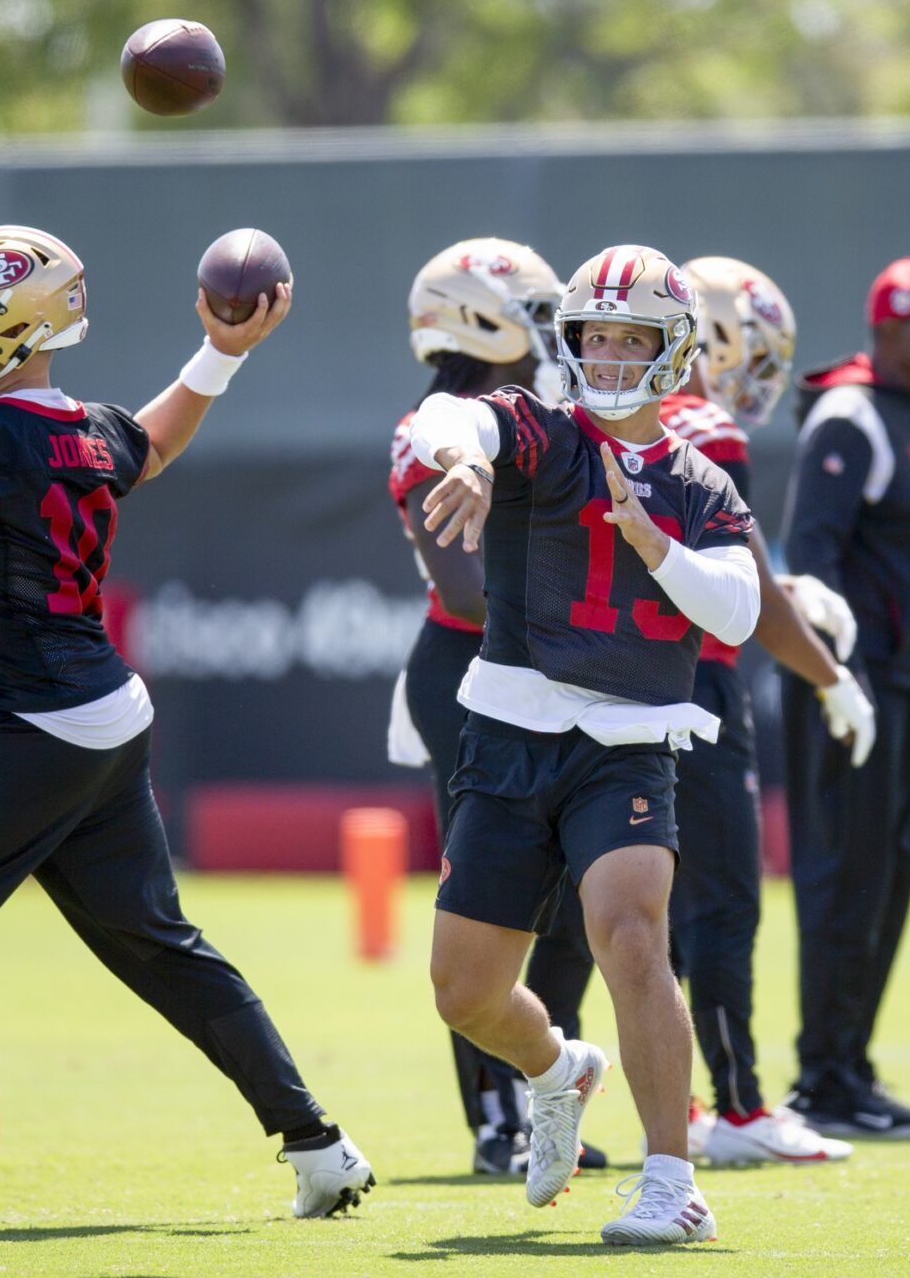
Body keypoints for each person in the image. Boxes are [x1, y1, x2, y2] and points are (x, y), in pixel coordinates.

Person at [0, 224, 372, 1234]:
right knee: (158, 944)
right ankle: (317, 1142)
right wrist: (222, 352)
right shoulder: (88, 428)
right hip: (104, 718)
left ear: (15, 320)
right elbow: (159, 439)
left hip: (32, 723)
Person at [416, 244, 756, 1246]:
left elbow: (735, 611)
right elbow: (451, 413)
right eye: (593, 336)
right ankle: (559, 1069)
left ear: (673, 347)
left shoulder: (697, 478)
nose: (606, 356)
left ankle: (670, 1179)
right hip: (512, 731)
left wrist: (656, 543)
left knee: (632, 931)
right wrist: (466, 455)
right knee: (463, 992)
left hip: (628, 744)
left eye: (629, 337)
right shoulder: (538, 431)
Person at [391, 239, 606, 1177]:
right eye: (536, 308)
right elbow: (472, 590)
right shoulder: (430, 430)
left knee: (575, 900)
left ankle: (547, 1089)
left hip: (560, 666)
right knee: (487, 896)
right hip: (474, 671)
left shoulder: (560, 414)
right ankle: (494, 1116)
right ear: (481, 317)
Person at [654, 256, 872, 1166]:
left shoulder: (617, 421)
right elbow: (734, 597)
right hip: (695, 685)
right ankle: (739, 1106)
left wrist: (776, 584)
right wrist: (827, 675)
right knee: (723, 899)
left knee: (640, 913)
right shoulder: (705, 427)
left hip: (611, 681)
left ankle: (683, 1104)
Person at [781, 257, 910, 1138]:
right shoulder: (849, 415)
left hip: (906, 688)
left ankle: (852, 1068)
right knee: (844, 878)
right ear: (894, 332)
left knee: (886, 881)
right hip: (852, 692)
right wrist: (839, 679)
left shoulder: (908, 416)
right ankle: (823, 1079)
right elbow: (810, 558)